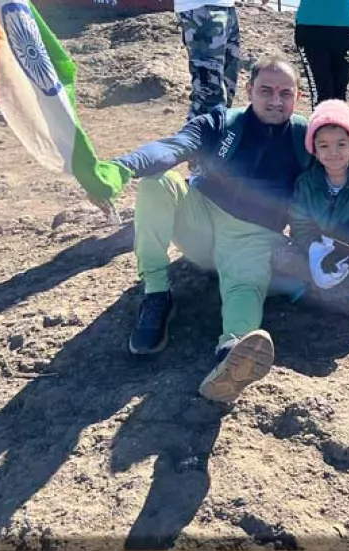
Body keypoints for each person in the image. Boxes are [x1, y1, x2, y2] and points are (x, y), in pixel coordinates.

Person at [101, 60, 310, 404]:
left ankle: (230, 356)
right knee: (158, 182)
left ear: (297, 96)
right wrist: (123, 166)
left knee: (245, 287)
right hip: (200, 219)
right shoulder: (221, 121)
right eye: (266, 91)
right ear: (249, 91)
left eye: (285, 93)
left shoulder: (307, 136)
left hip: (255, 236)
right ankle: (157, 294)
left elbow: (343, 179)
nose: (276, 100)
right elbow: (172, 147)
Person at [274, 100, 349, 320]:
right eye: (324, 145)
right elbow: (300, 224)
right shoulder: (306, 183)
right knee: (280, 257)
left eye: (341, 144)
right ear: (315, 150)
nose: (333, 152)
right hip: (317, 246)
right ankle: (345, 297)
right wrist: (316, 248)